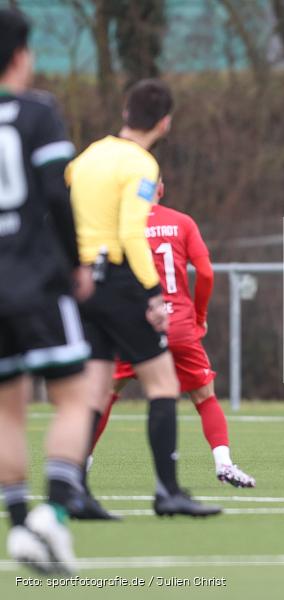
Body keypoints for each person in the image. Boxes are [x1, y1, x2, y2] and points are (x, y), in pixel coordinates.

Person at [67, 79, 220, 516]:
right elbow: (133, 231)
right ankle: (168, 492)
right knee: (163, 385)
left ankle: (77, 491)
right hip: (120, 281)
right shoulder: (140, 163)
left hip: (83, 282)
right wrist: (152, 293)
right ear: (164, 123)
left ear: (124, 112)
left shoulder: (86, 158)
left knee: (96, 390)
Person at [0, 8, 93, 573]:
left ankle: (17, 527)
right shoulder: (36, 112)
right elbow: (58, 194)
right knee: (73, 396)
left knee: (6, 410)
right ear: (19, 55)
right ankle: (52, 517)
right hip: (36, 277)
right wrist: (76, 262)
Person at [88, 178, 255, 488]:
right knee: (204, 397)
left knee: (106, 393)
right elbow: (205, 273)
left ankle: (79, 465)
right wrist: (199, 317)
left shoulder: (119, 226)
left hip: (135, 325)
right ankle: (224, 463)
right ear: (161, 188)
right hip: (177, 324)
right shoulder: (182, 222)